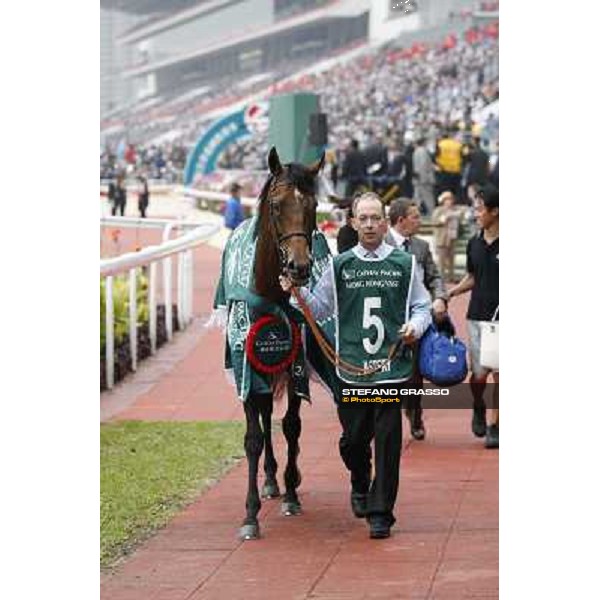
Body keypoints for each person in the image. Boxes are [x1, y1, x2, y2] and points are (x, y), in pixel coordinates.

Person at [280, 192, 432, 539]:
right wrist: (294, 293)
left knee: (389, 441)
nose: (368, 224)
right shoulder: (340, 266)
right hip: (351, 369)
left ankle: (381, 512)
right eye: (362, 218)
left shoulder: (405, 265)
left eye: (375, 217)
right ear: (352, 222)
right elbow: (317, 310)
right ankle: (359, 479)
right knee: (353, 440)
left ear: (384, 221)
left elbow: (422, 306)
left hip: (391, 369)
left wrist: (415, 327)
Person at [385, 198, 448, 440]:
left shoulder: (421, 246)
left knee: (415, 372)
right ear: (401, 220)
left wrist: (440, 297)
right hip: (387, 318)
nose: (419, 220)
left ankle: (415, 412)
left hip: (418, 317)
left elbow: (435, 277)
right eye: (415, 216)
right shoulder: (382, 243)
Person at [448, 184, 499, 449]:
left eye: (480, 209)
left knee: (501, 374)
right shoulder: (474, 243)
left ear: (496, 212)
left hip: (502, 321)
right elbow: (473, 277)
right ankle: (478, 405)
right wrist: (452, 293)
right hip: (476, 317)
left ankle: (495, 425)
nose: (476, 214)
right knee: (478, 377)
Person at [431, 191, 461, 283]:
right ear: (443, 201)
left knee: (452, 259)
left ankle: (451, 277)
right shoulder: (438, 210)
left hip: (452, 237)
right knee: (442, 261)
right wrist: (444, 218)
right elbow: (434, 222)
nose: (449, 201)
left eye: (451, 199)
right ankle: (441, 279)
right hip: (442, 239)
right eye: (447, 199)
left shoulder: (455, 210)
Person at [412, 134, 436, 215]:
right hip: (423, 179)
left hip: (419, 179)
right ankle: (432, 213)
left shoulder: (417, 151)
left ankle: (415, 214)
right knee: (427, 197)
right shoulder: (422, 151)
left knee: (418, 197)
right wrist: (424, 179)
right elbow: (423, 165)